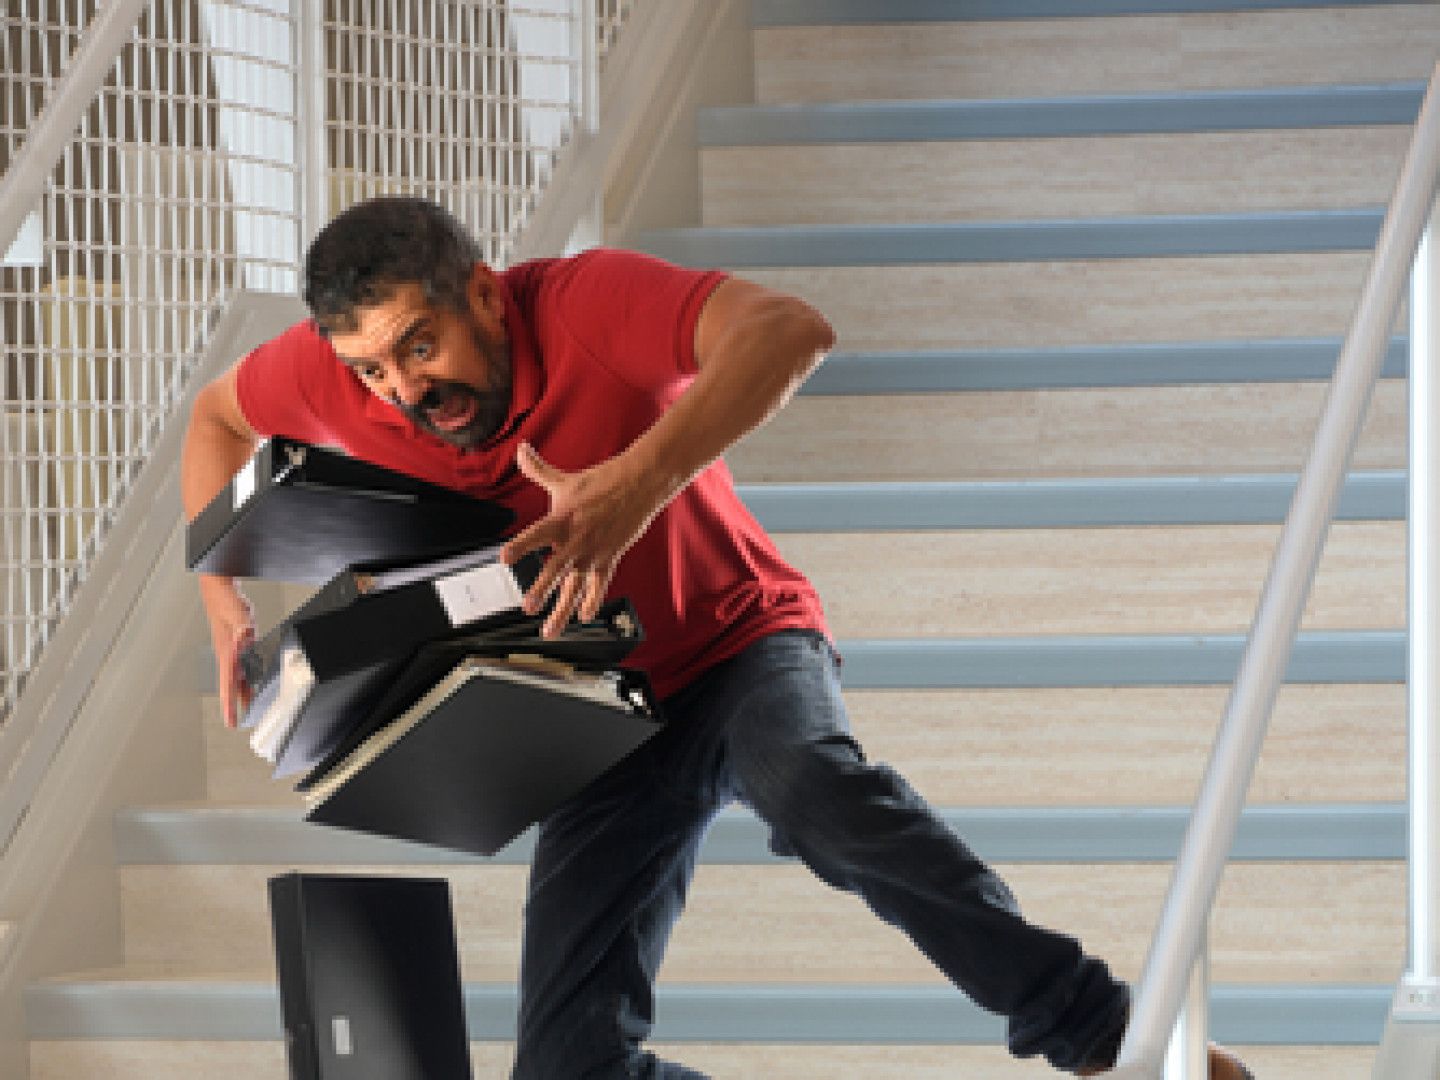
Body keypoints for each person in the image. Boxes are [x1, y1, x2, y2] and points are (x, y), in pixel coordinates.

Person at [181, 196, 1251, 1079]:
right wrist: (224, 603)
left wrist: (634, 486)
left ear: (483, 297)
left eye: (420, 345)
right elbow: (215, 418)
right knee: (567, 1071)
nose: (406, 390)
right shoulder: (335, 380)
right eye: (373, 370)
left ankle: (1118, 1042)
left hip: (742, 644)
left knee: (812, 789)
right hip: (598, 713)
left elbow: (789, 331)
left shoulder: (587, 302)